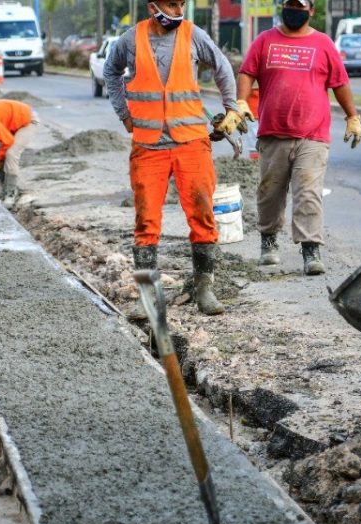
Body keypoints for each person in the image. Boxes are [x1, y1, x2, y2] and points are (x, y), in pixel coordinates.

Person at [103, 0, 247, 317]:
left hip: (191, 142)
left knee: (202, 215)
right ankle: (146, 298)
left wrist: (232, 108)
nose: (178, 9)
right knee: (146, 222)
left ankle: (204, 290)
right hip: (148, 145)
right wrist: (123, 114)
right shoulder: (131, 39)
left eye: (182, 3)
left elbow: (222, 67)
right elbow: (110, 72)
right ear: (153, 4)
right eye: (172, 3)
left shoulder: (193, 35)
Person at [236, 0, 361, 276]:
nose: (294, 9)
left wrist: (352, 116)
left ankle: (310, 249)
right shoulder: (265, 40)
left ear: (311, 11)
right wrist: (241, 102)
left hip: (312, 135)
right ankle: (268, 242)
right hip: (273, 133)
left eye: (300, 5)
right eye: (289, 4)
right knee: (270, 193)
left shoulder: (324, 44)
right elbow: (247, 73)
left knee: (308, 193)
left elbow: (340, 83)